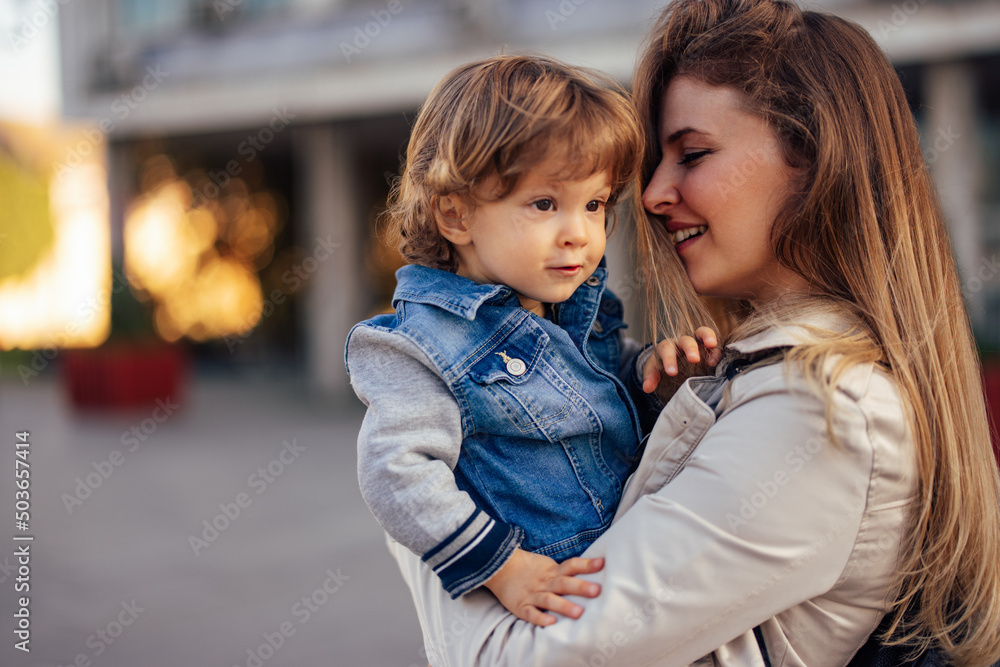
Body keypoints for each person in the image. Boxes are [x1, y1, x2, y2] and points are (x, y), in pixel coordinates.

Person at [383, 0, 1000, 665]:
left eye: (694, 154)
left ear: (816, 163)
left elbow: (519, 657)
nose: (649, 196)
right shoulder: (766, 378)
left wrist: (428, 492)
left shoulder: (822, 413)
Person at [345, 55, 717, 629]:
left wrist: (652, 373)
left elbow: (603, 380)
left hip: (636, 567)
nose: (579, 233)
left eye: (594, 205)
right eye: (545, 204)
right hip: (555, 598)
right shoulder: (420, 344)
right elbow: (397, 471)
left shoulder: (571, 303)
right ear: (456, 214)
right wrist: (501, 567)